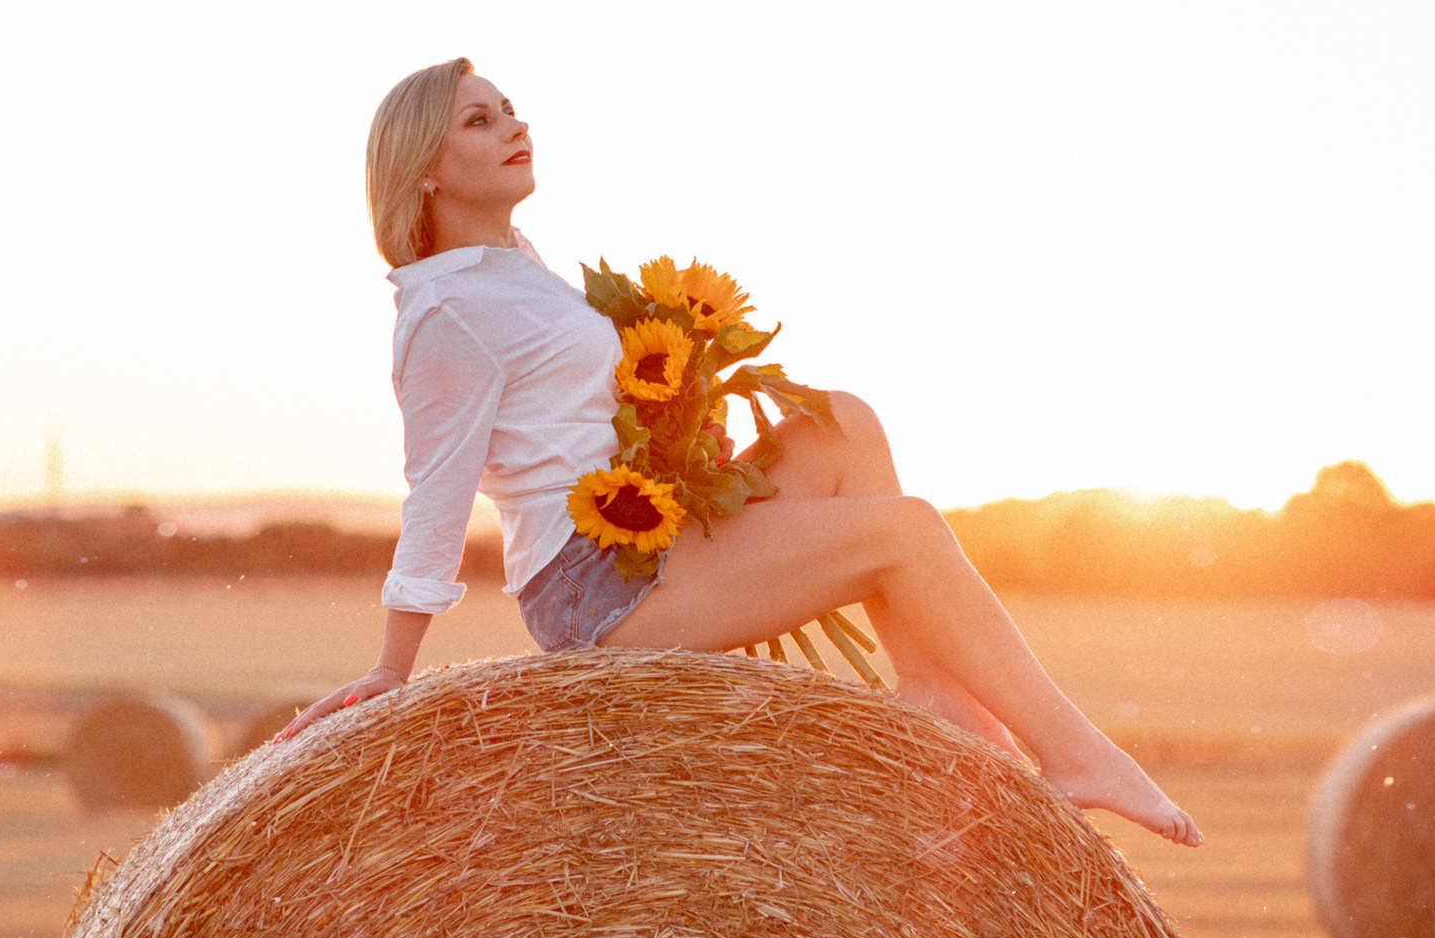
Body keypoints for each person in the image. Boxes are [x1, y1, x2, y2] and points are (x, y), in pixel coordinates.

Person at [280, 58, 1200, 847]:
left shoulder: (512, 265)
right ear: (425, 171)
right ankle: (1077, 754)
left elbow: (581, 417)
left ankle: (932, 692)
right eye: (479, 119)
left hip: (652, 530)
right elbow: (433, 498)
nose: (515, 123)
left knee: (845, 422)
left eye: (508, 106)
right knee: (909, 534)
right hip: (596, 585)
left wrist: (687, 433)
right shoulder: (443, 315)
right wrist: (393, 670)